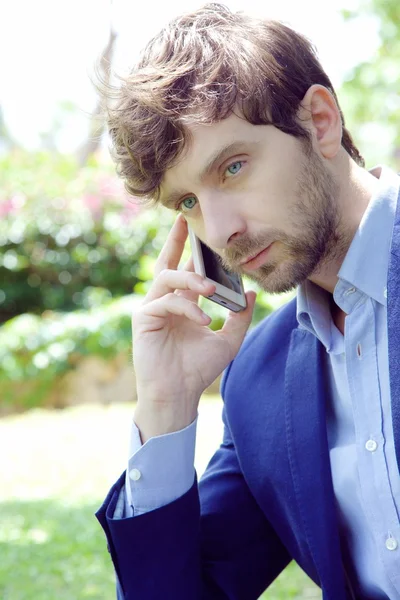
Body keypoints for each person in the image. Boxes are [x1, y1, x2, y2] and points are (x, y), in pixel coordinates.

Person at [95, 4, 400, 599]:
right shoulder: (257, 379)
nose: (220, 229)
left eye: (232, 167)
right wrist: (167, 404)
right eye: (186, 202)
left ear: (320, 121)